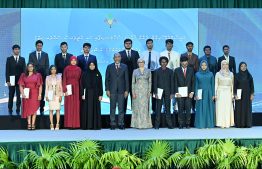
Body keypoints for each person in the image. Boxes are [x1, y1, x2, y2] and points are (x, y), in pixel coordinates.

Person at [105, 53, 129, 130]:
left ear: (120, 58)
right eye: (116, 57)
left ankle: (121, 123)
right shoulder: (109, 66)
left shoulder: (125, 67)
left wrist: (126, 90)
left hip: (122, 90)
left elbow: (127, 80)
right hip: (112, 90)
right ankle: (112, 124)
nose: (117, 58)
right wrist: (107, 89)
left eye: (118, 57)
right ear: (113, 58)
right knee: (112, 108)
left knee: (121, 108)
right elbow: (106, 79)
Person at [18, 62, 43, 130]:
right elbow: (21, 85)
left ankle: (33, 124)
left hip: (35, 93)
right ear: (27, 68)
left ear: (33, 67)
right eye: (29, 66)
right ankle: (29, 124)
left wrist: (40, 95)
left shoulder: (38, 75)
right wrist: (23, 94)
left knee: (34, 109)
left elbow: (40, 86)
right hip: (27, 94)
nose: (30, 68)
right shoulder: (23, 75)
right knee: (28, 110)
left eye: (31, 66)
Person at [28, 40, 49, 114]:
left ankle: (42, 107)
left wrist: (46, 76)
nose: (39, 47)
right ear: (36, 46)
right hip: (34, 76)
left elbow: (47, 66)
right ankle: (34, 107)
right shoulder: (31, 55)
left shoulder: (45, 54)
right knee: (34, 92)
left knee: (42, 92)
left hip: (43, 77)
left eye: (40, 45)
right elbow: (30, 65)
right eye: (38, 45)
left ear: (42, 46)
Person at [80, 61, 103, 130]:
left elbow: (100, 85)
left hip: (96, 93)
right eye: (90, 65)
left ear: (95, 66)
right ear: (88, 66)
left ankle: (95, 125)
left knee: (95, 109)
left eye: (93, 65)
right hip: (87, 94)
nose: (92, 66)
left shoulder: (98, 74)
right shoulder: (85, 74)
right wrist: (82, 94)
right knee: (87, 109)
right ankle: (87, 125)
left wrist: (100, 95)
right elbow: (82, 85)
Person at [174, 56, 195, 129]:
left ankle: (188, 123)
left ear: (187, 62)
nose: (184, 63)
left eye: (186, 61)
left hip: (189, 93)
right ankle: (180, 124)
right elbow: (175, 82)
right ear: (180, 62)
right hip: (180, 93)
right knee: (180, 109)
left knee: (188, 109)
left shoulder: (191, 70)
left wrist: (192, 92)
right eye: (183, 62)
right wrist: (176, 93)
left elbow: (193, 81)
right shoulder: (177, 70)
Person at [131, 58, 152, 129]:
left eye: (142, 62)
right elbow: (133, 83)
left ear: (144, 62)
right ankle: (138, 124)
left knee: (145, 107)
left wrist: (149, 91)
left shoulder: (148, 71)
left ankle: (145, 124)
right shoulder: (135, 71)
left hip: (145, 91)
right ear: (137, 63)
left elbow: (150, 82)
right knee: (138, 107)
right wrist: (133, 92)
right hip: (137, 92)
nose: (141, 63)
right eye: (139, 62)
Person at [119, 39, 140, 114]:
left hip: (134, 78)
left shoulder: (135, 53)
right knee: (124, 97)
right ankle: (123, 113)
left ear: (131, 44)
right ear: (124, 44)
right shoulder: (120, 53)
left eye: (129, 43)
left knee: (134, 96)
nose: (128, 44)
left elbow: (138, 65)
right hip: (124, 79)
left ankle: (134, 114)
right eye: (126, 43)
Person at [154, 56, 174, 129]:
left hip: (168, 92)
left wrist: (172, 93)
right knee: (158, 108)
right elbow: (155, 82)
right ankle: (157, 124)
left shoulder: (170, 71)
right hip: (159, 91)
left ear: (167, 63)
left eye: (165, 62)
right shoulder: (156, 71)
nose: (163, 63)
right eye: (162, 62)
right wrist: (155, 93)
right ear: (160, 63)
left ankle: (170, 124)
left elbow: (172, 82)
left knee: (168, 108)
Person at [140, 39, 160, 114]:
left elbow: (158, 64)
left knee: (154, 91)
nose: (150, 44)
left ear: (153, 44)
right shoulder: (143, 53)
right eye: (148, 43)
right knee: (146, 91)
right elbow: (141, 64)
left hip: (154, 72)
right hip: (145, 73)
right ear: (146, 45)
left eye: (151, 43)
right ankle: (146, 109)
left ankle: (154, 109)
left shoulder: (156, 53)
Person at [160, 39, 180, 114]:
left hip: (174, 75)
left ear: (172, 45)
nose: (169, 45)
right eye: (168, 44)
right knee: (165, 91)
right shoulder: (162, 53)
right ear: (166, 45)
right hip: (165, 75)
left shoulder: (176, 54)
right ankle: (164, 107)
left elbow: (178, 65)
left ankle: (175, 107)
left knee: (174, 91)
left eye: (170, 44)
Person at [5, 45, 26, 115]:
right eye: (15, 49)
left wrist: (24, 80)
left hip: (19, 79)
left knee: (18, 95)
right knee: (11, 94)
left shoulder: (22, 59)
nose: (17, 50)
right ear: (13, 50)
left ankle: (18, 109)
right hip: (11, 79)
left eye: (18, 49)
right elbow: (7, 70)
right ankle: (10, 109)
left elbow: (24, 71)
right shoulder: (9, 59)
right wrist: (7, 81)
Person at [194, 60, 215, 129]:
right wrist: (196, 94)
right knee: (200, 108)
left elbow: (213, 84)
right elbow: (196, 84)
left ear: (207, 66)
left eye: (205, 65)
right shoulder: (197, 74)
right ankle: (201, 124)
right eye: (202, 65)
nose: (204, 66)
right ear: (200, 66)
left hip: (209, 92)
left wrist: (213, 94)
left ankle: (209, 124)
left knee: (209, 108)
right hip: (200, 92)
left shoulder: (211, 74)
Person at [63, 56, 82, 129]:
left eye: (75, 60)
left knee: (76, 106)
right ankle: (69, 124)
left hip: (77, 88)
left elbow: (80, 80)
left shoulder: (79, 69)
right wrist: (65, 90)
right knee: (69, 106)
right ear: (70, 61)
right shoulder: (66, 69)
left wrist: (81, 90)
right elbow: (64, 79)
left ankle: (76, 124)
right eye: (72, 60)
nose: (73, 61)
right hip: (69, 88)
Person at [234, 62, 255, 128]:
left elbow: (252, 86)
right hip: (239, 94)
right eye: (242, 66)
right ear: (239, 67)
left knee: (247, 108)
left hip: (247, 94)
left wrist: (252, 94)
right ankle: (240, 124)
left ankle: (247, 124)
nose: (243, 67)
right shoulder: (236, 75)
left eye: (245, 66)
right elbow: (234, 85)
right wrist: (235, 94)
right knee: (239, 108)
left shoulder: (249, 75)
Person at [215, 60, 234, 128]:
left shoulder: (231, 74)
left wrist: (232, 94)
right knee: (220, 108)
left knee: (227, 107)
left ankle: (228, 123)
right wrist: (215, 94)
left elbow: (232, 85)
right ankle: (221, 123)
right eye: (223, 64)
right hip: (220, 91)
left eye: (226, 64)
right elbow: (216, 84)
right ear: (221, 65)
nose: (225, 66)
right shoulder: (218, 73)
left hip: (228, 91)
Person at [181, 42, 199, 113]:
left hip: (193, 75)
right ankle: (184, 108)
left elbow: (197, 67)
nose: (190, 47)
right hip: (184, 75)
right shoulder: (183, 55)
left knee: (192, 92)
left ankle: (193, 108)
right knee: (184, 93)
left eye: (191, 46)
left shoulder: (196, 56)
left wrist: (196, 76)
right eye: (188, 46)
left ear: (193, 47)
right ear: (186, 47)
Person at [45, 65, 63, 130]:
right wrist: (46, 96)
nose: (53, 70)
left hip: (57, 95)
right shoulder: (47, 77)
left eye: (54, 69)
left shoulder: (59, 77)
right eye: (52, 69)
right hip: (50, 95)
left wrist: (61, 96)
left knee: (58, 110)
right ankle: (52, 124)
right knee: (51, 110)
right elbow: (46, 87)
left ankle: (57, 124)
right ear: (50, 70)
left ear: (56, 70)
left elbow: (61, 87)